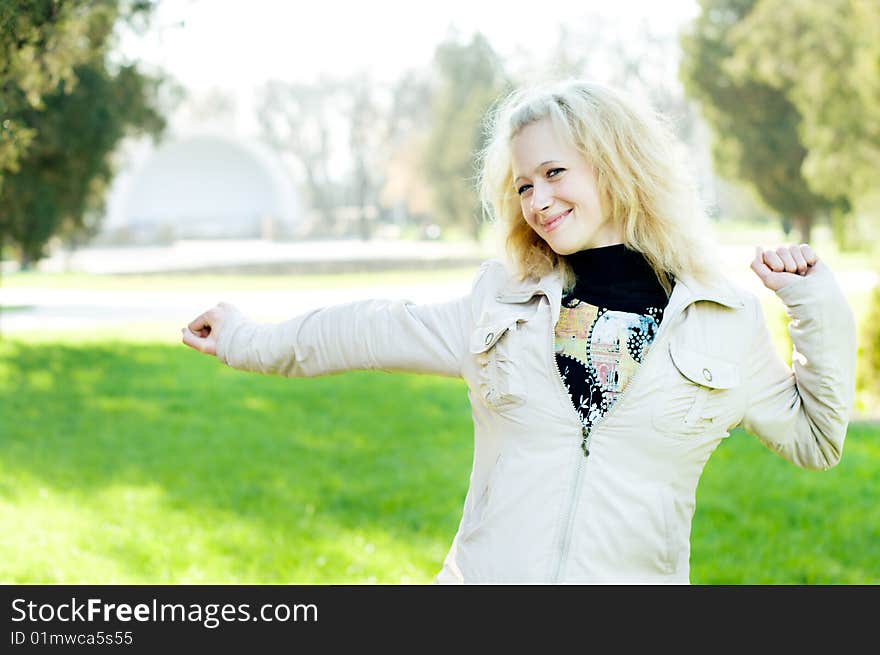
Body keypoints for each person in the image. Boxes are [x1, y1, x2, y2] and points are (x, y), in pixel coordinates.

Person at [181, 80, 856, 584]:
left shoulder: (722, 320)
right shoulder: (502, 302)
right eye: (523, 184)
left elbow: (818, 438)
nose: (537, 200)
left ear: (616, 165)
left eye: (554, 172)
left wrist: (812, 298)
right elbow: (366, 330)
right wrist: (244, 338)